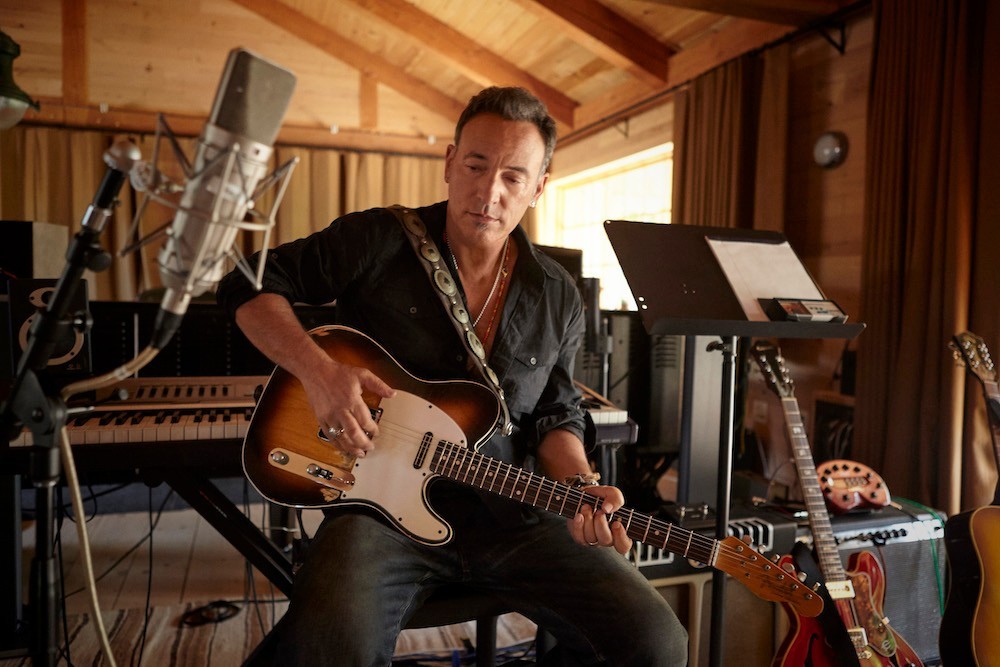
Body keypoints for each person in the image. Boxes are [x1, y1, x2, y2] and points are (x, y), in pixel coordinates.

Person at [217, 86, 687, 666]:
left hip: (513, 513)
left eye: (513, 176)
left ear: (539, 187)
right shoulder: (377, 238)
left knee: (658, 643)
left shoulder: (558, 294)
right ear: (449, 163)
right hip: (377, 515)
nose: (489, 193)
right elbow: (245, 282)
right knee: (332, 648)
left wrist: (579, 484)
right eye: (476, 166)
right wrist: (318, 372)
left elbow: (556, 415)